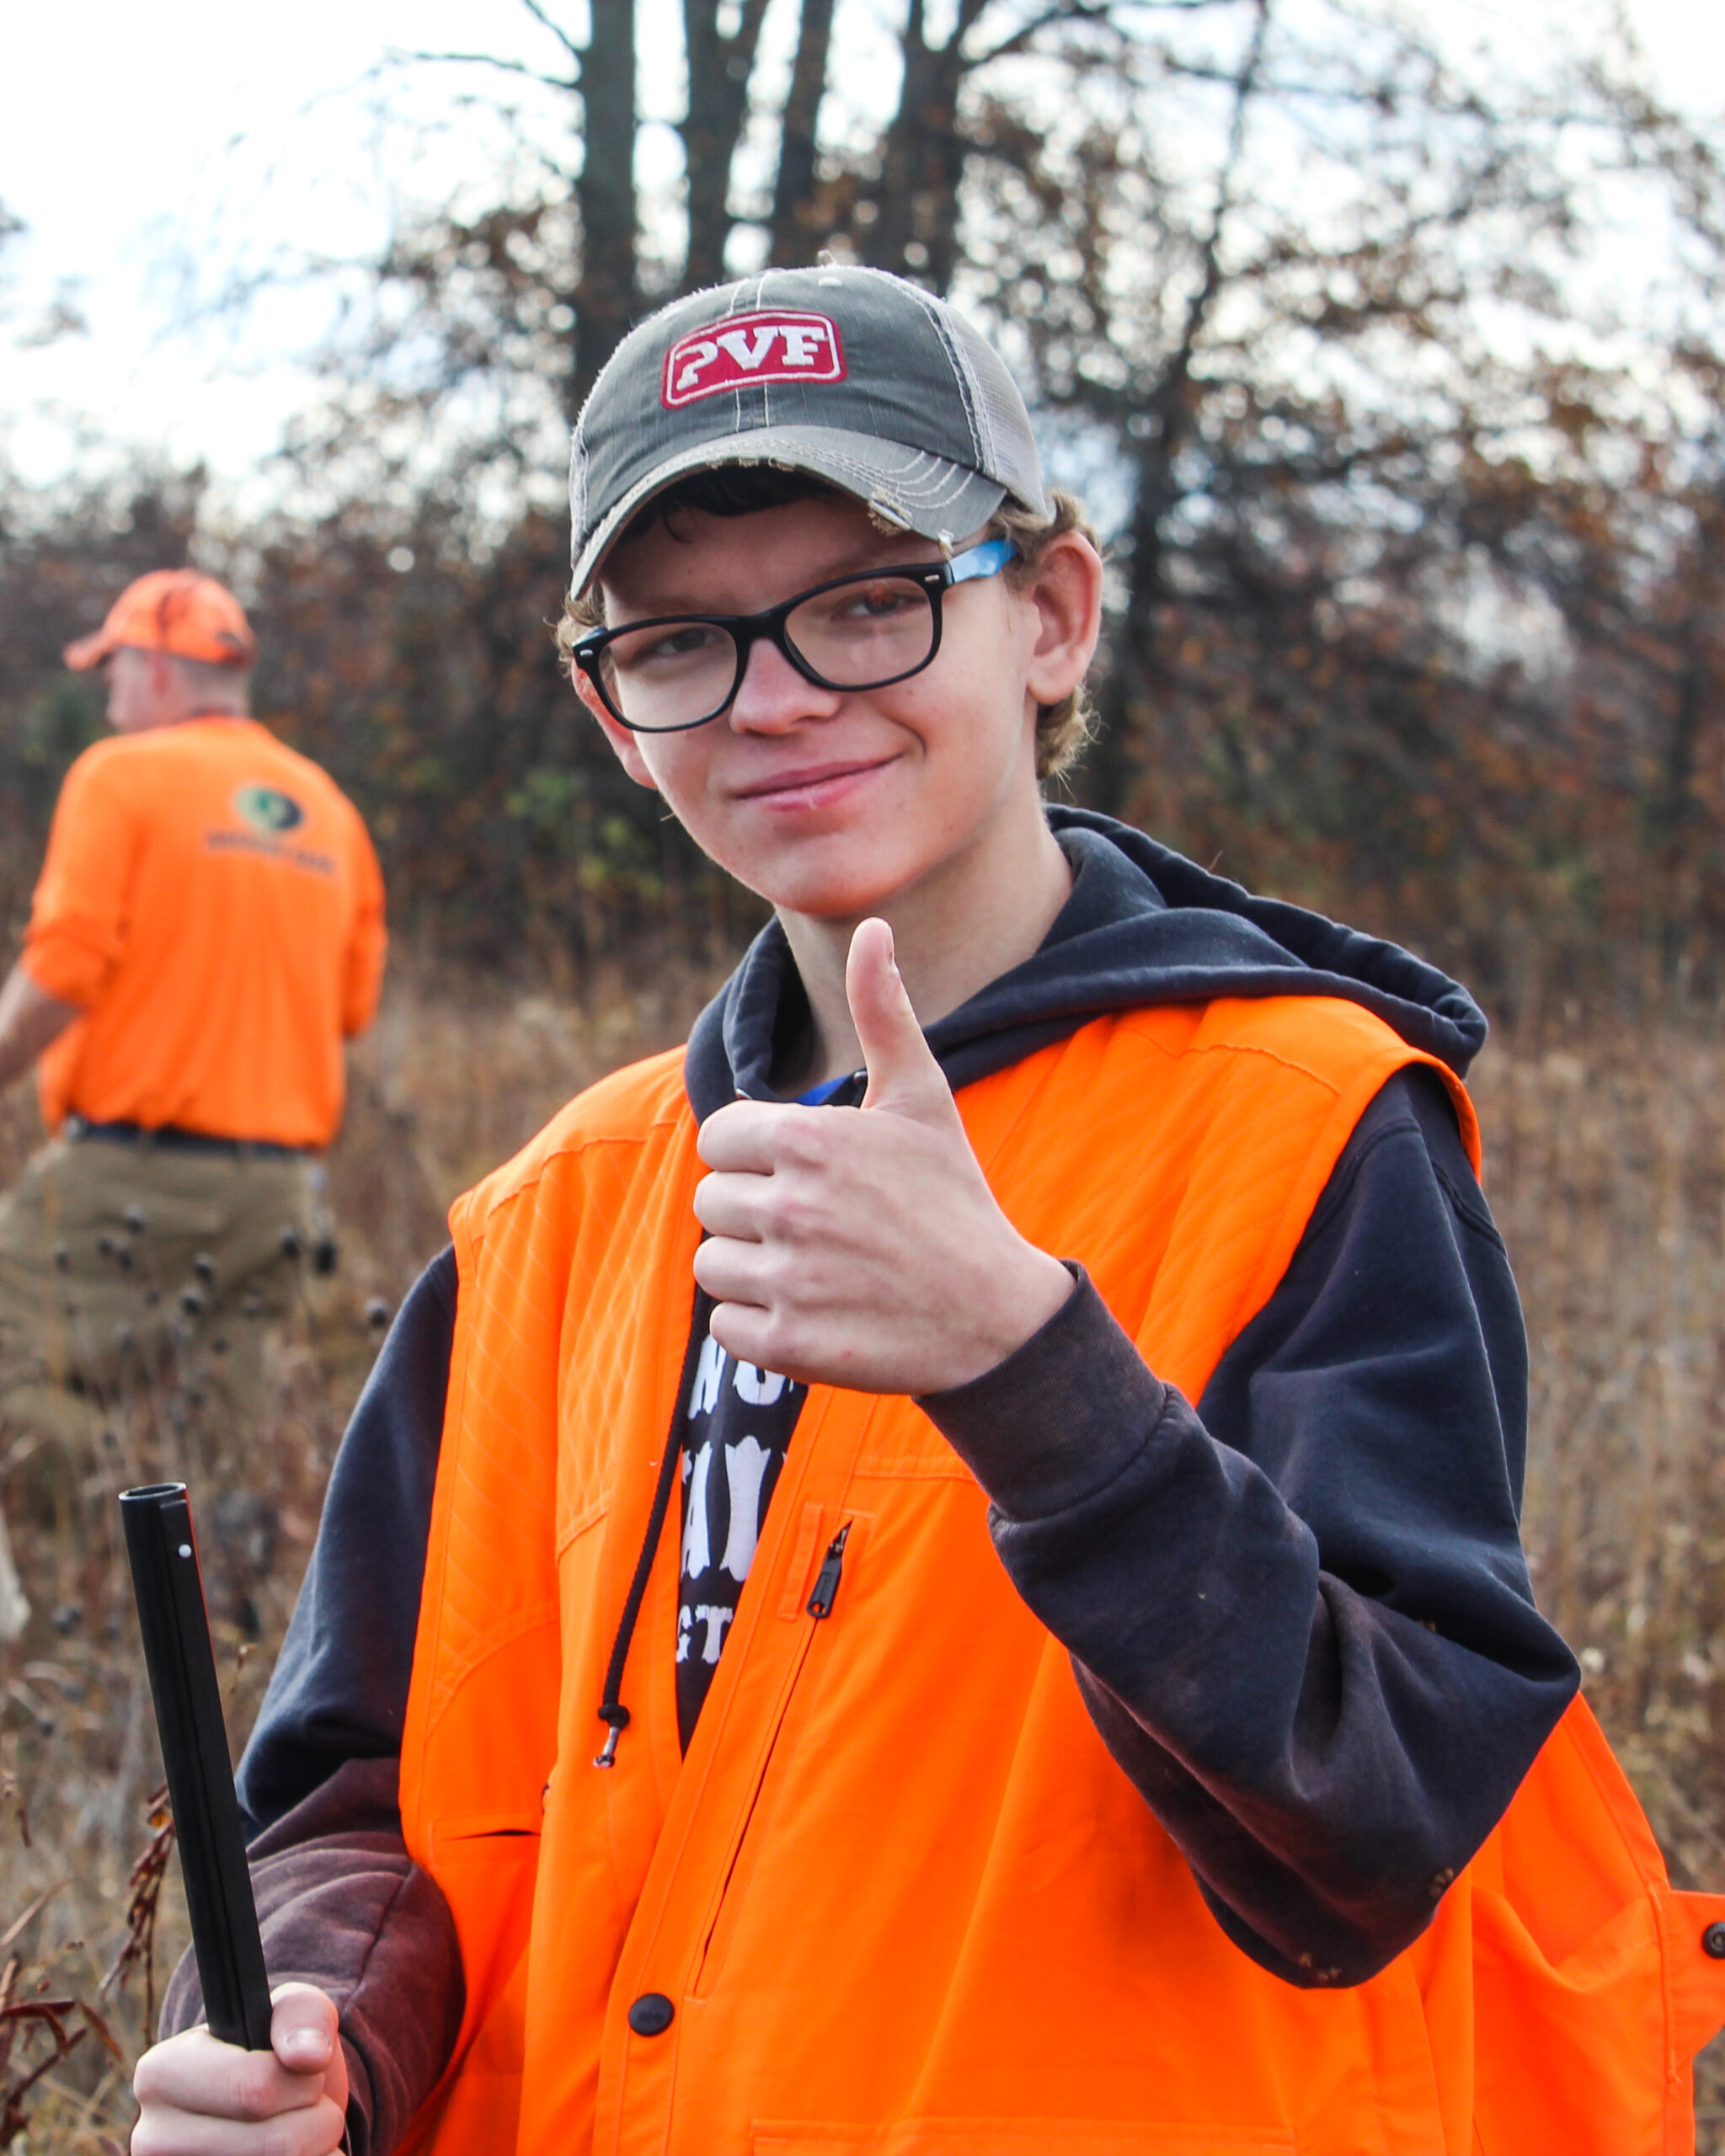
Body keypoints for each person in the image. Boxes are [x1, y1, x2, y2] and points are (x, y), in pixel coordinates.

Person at [133, 270, 1725, 2156]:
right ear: (613, 711)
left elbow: (1378, 1823)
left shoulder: (1303, 1126)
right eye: (679, 644)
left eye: (873, 602)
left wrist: (1030, 1376)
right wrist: (321, 2034)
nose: (780, 694)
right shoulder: (554, 1210)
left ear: (1049, 617)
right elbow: (368, 1798)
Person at [0, 568, 386, 1590]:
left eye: (116, 666)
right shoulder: (331, 811)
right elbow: (349, 1009)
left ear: (162, 668)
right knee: (227, 1439)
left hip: (129, 1174)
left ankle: (113, 1574)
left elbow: (65, 970)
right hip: (275, 1197)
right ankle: (229, 1625)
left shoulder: (119, 775)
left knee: (16, 1376)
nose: (110, 692)